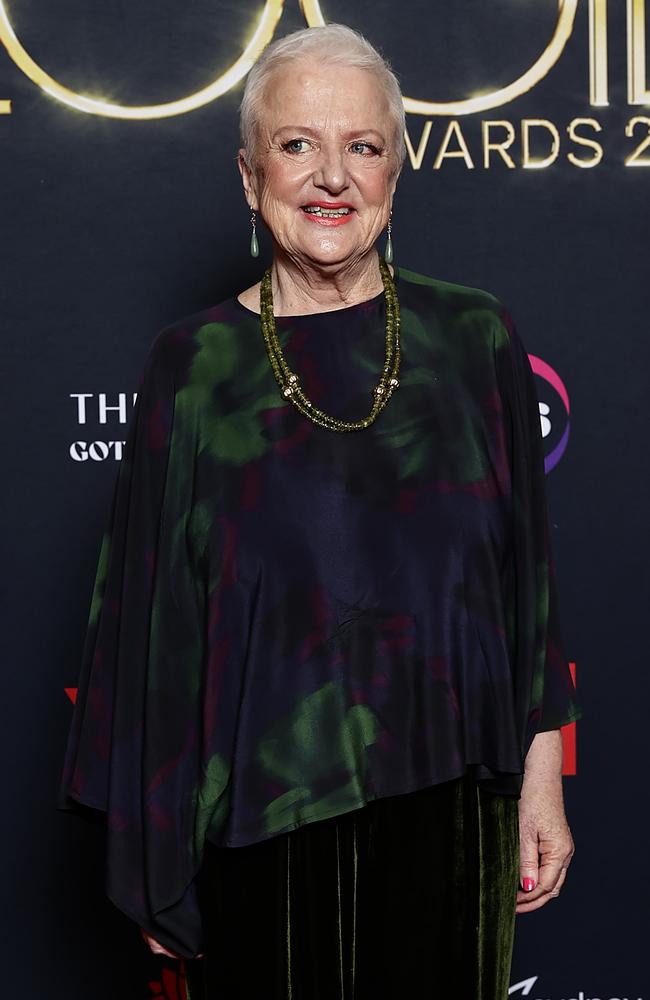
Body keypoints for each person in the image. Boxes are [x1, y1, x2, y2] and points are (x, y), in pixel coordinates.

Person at [59, 22, 581, 1000]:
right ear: (250, 177)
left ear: (394, 172)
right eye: (298, 144)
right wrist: (157, 856)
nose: (331, 175)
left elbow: (526, 581)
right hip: (262, 824)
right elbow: (149, 630)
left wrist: (539, 780)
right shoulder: (193, 368)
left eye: (362, 146)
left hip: (452, 806)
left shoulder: (473, 338)